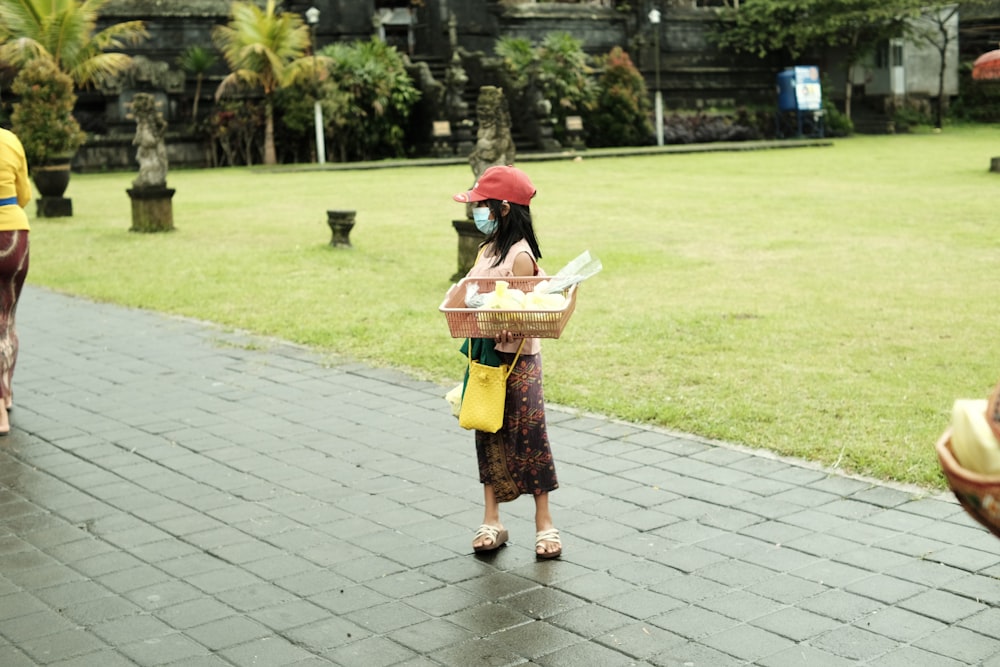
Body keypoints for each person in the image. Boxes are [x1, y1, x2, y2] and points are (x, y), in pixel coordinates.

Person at [452, 164, 561, 559]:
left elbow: (525, 309)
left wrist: (507, 326)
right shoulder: (488, 248)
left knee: (529, 435)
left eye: (482, 205)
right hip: (486, 359)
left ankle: (544, 523)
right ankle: (492, 519)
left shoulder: (520, 255)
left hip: (518, 362)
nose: (476, 212)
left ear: (502, 208)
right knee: (488, 432)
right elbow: (470, 292)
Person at [0, 127, 31, 436]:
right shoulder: (10, 140)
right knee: (6, 318)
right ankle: (5, 393)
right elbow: (24, 195)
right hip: (15, 236)